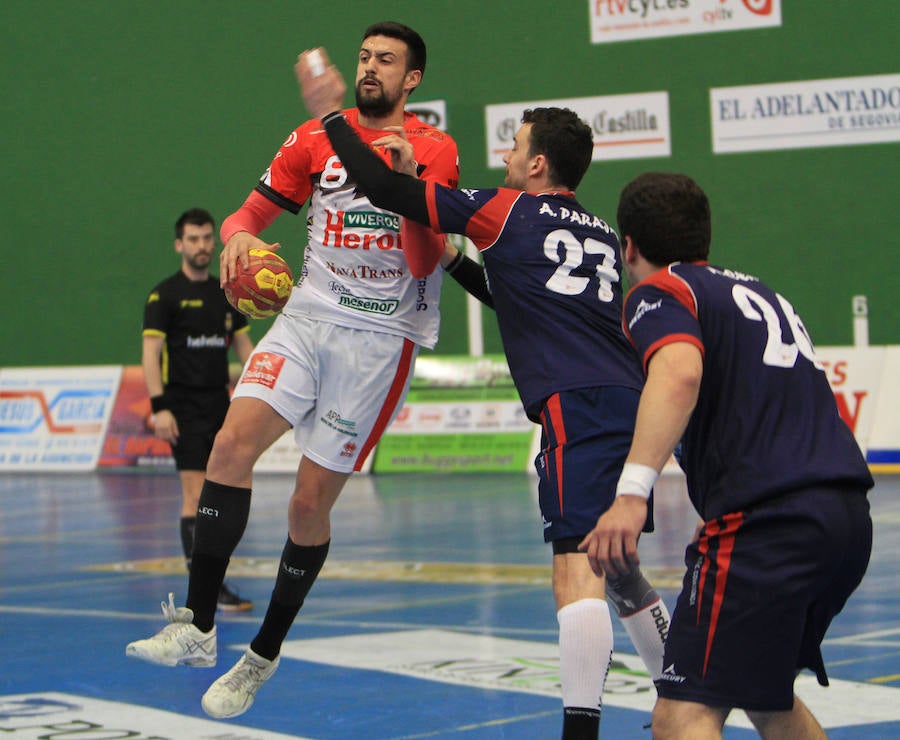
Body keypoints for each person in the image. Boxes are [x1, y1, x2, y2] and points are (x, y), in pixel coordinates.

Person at [298, 51, 671, 739]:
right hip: (630, 402)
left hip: (576, 405)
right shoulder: (593, 230)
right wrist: (450, 262)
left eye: (517, 144)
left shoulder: (506, 209)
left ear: (537, 166)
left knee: (576, 575)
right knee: (619, 570)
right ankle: (680, 695)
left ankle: (581, 729)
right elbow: (521, 300)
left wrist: (328, 113)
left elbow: (387, 192)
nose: (507, 151)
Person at [126, 22, 459, 720]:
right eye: (365, 57)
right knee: (228, 444)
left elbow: (428, 262)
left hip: (379, 338)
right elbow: (246, 213)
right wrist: (242, 234)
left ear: (413, 79)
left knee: (308, 505)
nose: (371, 69)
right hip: (307, 316)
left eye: (386, 61)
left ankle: (261, 657)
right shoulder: (310, 139)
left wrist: (403, 187)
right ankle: (198, 624)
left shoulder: (432, 149)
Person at [578, 172, 874, 739]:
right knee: (762, 694)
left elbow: (680, 372)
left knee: (683, 714)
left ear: (629, 247)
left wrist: (630, 496)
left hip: (766, 523)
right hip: (845, 521)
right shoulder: (764, 294)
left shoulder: (660, 292)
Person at [141, 208, 255, 611]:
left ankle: (213, 582)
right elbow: (150, 355)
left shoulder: (228, 292)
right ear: (179, 244)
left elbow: (246, 351)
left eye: (208, 238)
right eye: (193, 239)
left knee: (223, 495)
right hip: (182, 407)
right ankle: (202, 594)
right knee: (194, 497)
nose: (203, 245)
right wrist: (160, 408)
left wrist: (262, 391)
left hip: (220, 406)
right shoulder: (163, 296)